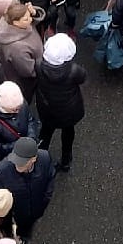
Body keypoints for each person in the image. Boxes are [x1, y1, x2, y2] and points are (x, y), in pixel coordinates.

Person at [34, 34, 86, 173]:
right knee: (68, 132)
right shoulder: (74, 71)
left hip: (47, 107)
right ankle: (65, 161)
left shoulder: (38, 65)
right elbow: (83, 78)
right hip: (68, 109)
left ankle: (39, 159)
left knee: (45, 132)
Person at [0, 136, 56, 243]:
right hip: (14, 216)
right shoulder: (2, 171)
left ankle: (25, 240)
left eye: (22, 162)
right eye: (16, 160)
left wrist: (44, 201)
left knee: (27, 231)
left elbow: (50, 179)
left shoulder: (45, 158)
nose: (17, 164)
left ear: (34, 159)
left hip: (35, 211)